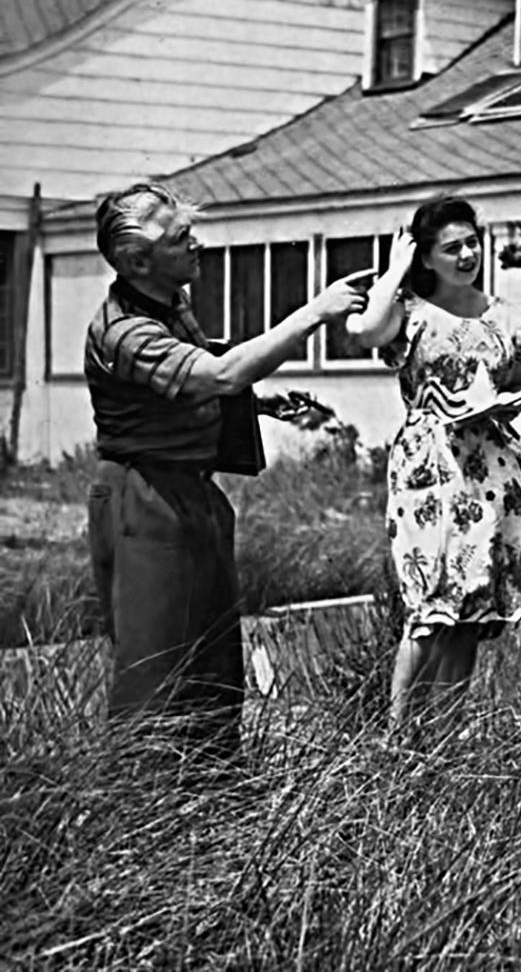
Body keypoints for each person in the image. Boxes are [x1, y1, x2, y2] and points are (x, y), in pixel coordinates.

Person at [85, 183, 369, 756]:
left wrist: (255, 405)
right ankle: (141, 811)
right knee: (156, 670)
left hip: (189, 492)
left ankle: (213, 792)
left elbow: (198, 379)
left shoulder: (170, 303)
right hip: (144, 499)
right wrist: (315, 312)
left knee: (212, 663)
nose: (197, 244)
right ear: (138, 261)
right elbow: (218, 376)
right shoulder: (125, 331)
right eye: (180, 238)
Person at [345, 196, 521, 735]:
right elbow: (366, 332)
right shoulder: (410, 310)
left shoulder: (500, 313)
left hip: (489, 463)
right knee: (430, 602)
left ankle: (445, 737)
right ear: (427, 257)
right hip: (430, 465)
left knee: (473, 605)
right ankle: (397, 738)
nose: (466, 255)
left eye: (471, 243)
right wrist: (394, 268)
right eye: (451, 248)